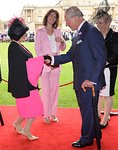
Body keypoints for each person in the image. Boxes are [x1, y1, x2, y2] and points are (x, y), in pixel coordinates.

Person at [45, 6, 107, 148]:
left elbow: (101, 58)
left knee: (87, 111)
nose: (66, 23)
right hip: (81, 81)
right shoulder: (79, 33)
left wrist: (91, 80)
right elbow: (70, 55)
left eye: (67, 20)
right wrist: (52, 60)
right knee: (88, 111)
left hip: (88, 83)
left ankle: (87, 138)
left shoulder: (91, 32)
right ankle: (93, 134)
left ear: (75, 17)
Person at [7, 17, 49, 141]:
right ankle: (26, 130)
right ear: (18, 34)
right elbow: (25, 65)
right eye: (24, 33)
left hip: (26, 83)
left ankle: (17, 123)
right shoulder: (14, 47)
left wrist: (40, 60)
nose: (26, 34)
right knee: (35, 108)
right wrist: (42, 60)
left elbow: (27, 63)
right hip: (25, 84)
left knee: (26, 107)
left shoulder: (17, 46)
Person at [35, 9, 66, 124]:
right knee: (46, 91)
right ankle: (46, 115)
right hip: (45, 63)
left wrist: (62, 41)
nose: (52, 18)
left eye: (55, 17)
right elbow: (37, 49)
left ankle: (53, 114)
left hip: (56, 61)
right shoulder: (40, 31)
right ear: (47, 16)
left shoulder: (58, 31)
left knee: (54, 91)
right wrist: (46, 61)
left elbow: (63, 48)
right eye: (51, 16)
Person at [95, 10, 118, 129]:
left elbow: (116, 54)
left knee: (108, 94)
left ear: (108, 22)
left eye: (101, 23)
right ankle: (98, 115)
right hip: (98, 69)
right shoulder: (97, 36)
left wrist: (105, 62)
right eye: (97, 23)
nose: (99, 25)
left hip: (109, 69)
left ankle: (105, 119)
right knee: (98, 93)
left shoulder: (115, 36)